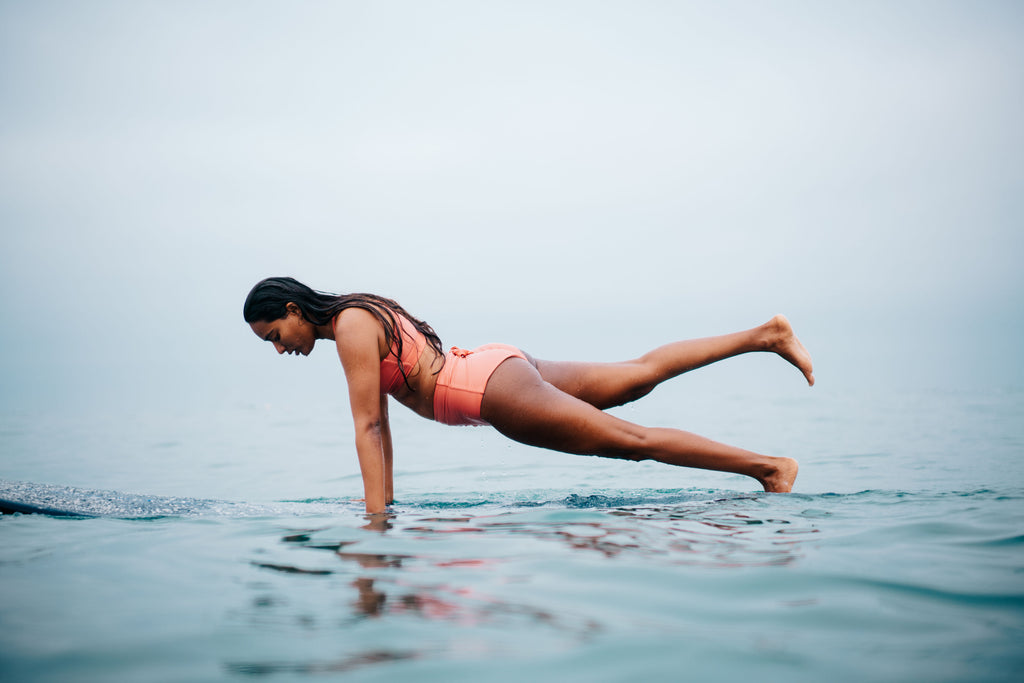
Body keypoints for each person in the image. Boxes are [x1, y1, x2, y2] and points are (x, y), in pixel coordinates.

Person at [244, 277, 815, 514]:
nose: (280, 349)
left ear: (293, 311)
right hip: (496, 364)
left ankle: (768, 469)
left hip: (490, 391)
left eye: (275, 336)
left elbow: (370, 427)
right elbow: (383, 429)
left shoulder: (346, 328)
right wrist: (384, 507)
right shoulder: (358, 309)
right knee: (637, 375)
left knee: (629, 442)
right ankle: (765, 334)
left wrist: (375, 522)